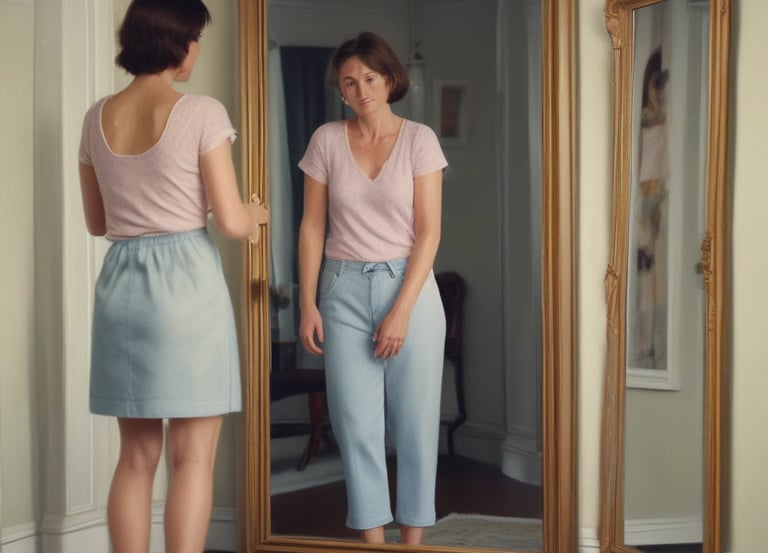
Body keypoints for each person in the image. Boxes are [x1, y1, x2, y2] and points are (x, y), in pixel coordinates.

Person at [77, 1, 268, 552]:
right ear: (176, 42)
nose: (198, 50)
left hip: (121, 285)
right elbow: (231, 222)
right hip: (185, 287)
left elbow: (98, 223)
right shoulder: (201, 111)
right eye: (195, 38)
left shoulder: (96, 116)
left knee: (136, 458)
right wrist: (256, 214)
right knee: (193, 458)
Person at [297, 31, 447, 545]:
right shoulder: (325, 140)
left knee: (415, 426)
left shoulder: (420, 139)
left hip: (411, 288)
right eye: (349, 82)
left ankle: (412, 543)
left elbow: (429, 231)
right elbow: (312, 226)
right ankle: (373, 544)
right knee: (356, 427)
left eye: (370, 78)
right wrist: (308, 300)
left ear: (389, 79)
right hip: (341, 290)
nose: (361, 89)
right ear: (340, 91)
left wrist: (402, 310)